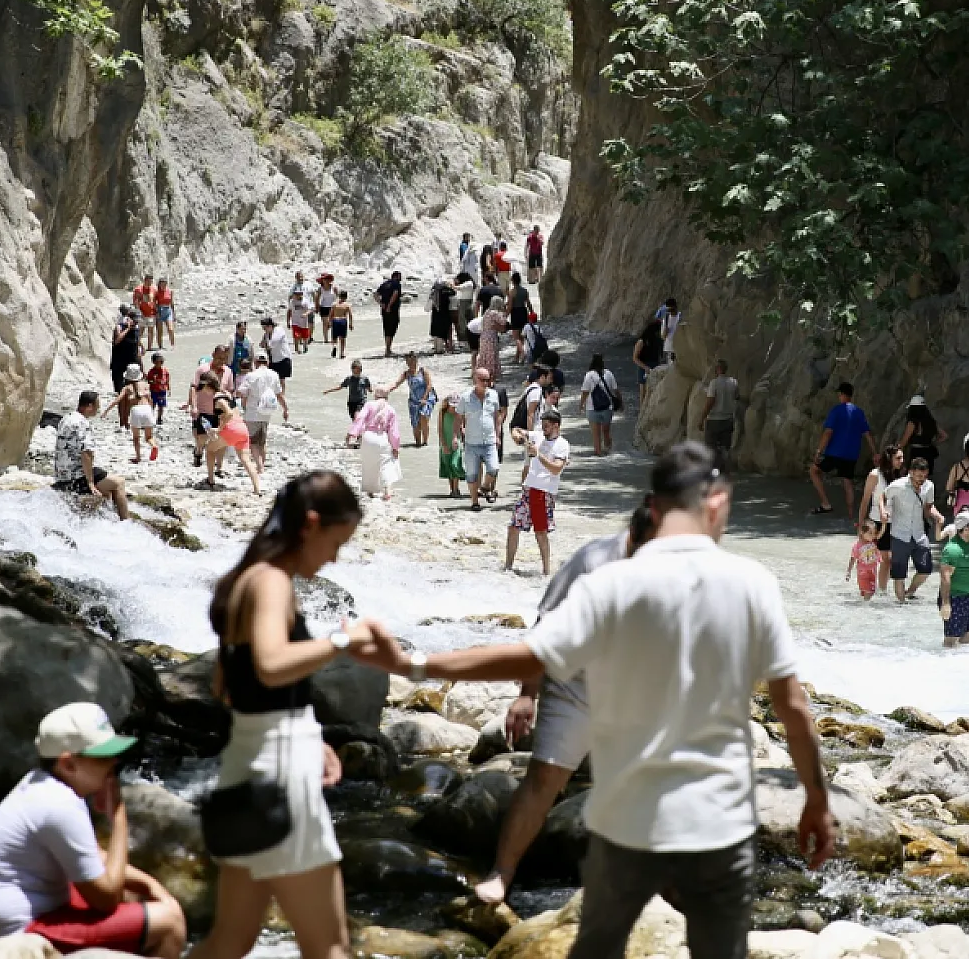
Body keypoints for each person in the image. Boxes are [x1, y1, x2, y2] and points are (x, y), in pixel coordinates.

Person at [347, 442, 836, 958]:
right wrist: (817, 802)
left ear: (654, 508)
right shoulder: (752, 583)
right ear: (715, 503)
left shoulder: (614, 586)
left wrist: (411, 665)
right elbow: (794, 708)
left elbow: (526, 655)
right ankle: (506, 871)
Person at [188, 473, 373, 959]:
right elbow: (271, 666)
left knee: (230, 941)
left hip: (247, 769)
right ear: (311, 525)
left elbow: (225, 688)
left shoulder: (244, 581)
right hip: (282, 782)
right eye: (337, 542)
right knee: (330, 947)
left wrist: (308, 734)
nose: (335, 557)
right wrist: (342, 641)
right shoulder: (271, 583)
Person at [476, 501, 659, 905]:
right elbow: (546, 631)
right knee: (544, 779)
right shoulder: (593, 560)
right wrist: (527, 696)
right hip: (574, 684)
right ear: (634, 536)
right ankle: (502, 872)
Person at [0, 703, 185, 957]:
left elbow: (96, 859)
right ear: (68, 764)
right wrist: (118, 815)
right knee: (170, 921)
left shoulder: (44, 784)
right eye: (103, 756)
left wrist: (151, 885)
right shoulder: (59, 805)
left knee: (134, 893)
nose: (114, 761)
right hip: (15, 929)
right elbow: (106, 899)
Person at [505, 410, 569, 575]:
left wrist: (538, 454)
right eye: (543, 425)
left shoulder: (562, 444)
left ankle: (546, 571)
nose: (543, 428)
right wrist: (517, 437)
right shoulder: (538, 436)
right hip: (528, 489)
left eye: (546, 426)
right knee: (513, 527)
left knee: (540, 532)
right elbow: (516, 429)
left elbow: (556, 469)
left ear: (556, 426)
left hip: (543, 492)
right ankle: (508, 567)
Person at [54, 390, 130, 520]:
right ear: (89, 406)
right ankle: (126, 522)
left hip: (62, 474)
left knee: (106, 486)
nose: (98, 409)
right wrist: (90, 483)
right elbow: (86, 453)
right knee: (118, 483)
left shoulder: (66, 418)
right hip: (76, 476)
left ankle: (105, 518)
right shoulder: (82, 423)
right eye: (97, 405)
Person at [809, 383, 875, 519]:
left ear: (842, 394)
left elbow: (828, 433)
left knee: (813, 471)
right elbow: (867, 433)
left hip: (834, 453)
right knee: (847, 481)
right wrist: (875, 452)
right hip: (851, 454)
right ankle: (851, 515)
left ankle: (825, 503)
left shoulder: (836, 410)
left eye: (839, 394)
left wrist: (818, 451)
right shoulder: (859, 412)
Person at [885, 457, 942, 602]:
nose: (921, 479)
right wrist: (884, 512)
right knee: (899, 574)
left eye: (924, 476)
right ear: (910, 472)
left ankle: (909, 592)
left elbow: (929, 507)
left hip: (919, 534)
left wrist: (938, 517)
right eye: (918, 476)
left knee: (926, 569)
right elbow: (883, 497)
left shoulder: (929, 486)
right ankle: (901, 604)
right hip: (899, 534)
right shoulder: (897, 485)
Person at [938, 510, 969, 647]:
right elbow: (945, 578)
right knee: (951, 638)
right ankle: (946, 660)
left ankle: (961, 657)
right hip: (954, 598)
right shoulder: (952, 549)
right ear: (965, 529)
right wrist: (946, 603)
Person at [455, 368, 502, 510]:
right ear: (475, 379)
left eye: (488, 379)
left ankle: (485, 487)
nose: (486, 383)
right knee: (471, 473)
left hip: (489, 441)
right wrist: (454, 437)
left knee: (493, 468)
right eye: (483, 380)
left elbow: (496, 416)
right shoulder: (465, 397)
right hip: (471, 442)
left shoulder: (493, 395)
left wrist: (498, 435)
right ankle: (474, 502)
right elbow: (458, 417)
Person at [858, 446, 905, 585]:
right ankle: (869, 586)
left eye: (902, 457)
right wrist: (860, 525)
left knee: (888, 558)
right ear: (889, 458)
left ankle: (882, 590)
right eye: (898, 458)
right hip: (876, 521)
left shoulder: (899, 475)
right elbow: (865, 500)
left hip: (894, 521)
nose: (901, 461)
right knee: (872, 557)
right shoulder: (875, 475)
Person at [237, 353, 289, 475]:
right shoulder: (274, 374)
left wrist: (242, 405)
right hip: (267, 412)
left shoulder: (251, 375)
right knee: (262, 441)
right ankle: (262, 464)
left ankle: (260, 467)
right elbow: (279, 395)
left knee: (253, 442)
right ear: (268, 362)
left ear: (255, 362)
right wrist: (286, 409)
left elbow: (241, 393)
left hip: (252, 412)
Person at [205, 390, 261, 495]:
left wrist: (218, 429)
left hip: (231, 429)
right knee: (246, 460)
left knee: (210, 450)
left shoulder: (219, 399)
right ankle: (257, 489)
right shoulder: (229, 398)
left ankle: (211, 480)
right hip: (242, 429)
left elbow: (229, 414)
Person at [349, 388, 401, 501]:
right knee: (387, 463)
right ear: (387, 397)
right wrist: (395, 447)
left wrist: (352, 433)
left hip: (368, 436)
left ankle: (371, 491)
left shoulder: (369, 405)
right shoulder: (391, 410)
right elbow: (394, 431)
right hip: (383, 437)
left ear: (375, 396)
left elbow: (360, 418)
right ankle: (387, 491)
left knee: (369, 463)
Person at [388, 352, 436, 448]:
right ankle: (418, 443)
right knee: (415, 424)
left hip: (427, 398)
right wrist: (387, 390)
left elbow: (429, 385)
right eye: (408, 362)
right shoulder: (406, 374)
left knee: (423, 416)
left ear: (416, 360)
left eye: (412, 361)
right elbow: (397, 383)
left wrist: (424, 398)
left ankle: (425, 442)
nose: (410, 363)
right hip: (413, 401)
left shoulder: (423, 371)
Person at [698, 359, 740, 469]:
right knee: (725, 448)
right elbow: (736, 397)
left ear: (718, 369)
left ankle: (712, 472)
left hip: (714, 421)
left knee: (710, 449)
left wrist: (701, 419)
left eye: (716, 368)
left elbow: (710, 402)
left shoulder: (714, 383)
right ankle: (724, 471)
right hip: (728, 420)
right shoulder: (734, 382)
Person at [579, 353, 621, 457]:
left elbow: (585, 392)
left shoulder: (589, 375)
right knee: (606, 431)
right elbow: (616, 390)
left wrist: (581, 405)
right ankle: (608, 450)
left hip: (592, 408)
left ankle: (598, 452)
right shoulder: (608, 373)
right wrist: (621, 402)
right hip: (607, 407)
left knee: (596, 433)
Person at [114, 365, 158, 463]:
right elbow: (150, 400)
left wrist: (106, 411)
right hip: (147, 409)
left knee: (136, 437)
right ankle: (154, 446)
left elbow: (118, 400)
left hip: (136, 410)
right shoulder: (146, 385)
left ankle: (138, 457)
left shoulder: (127, 388)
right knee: (149, 437)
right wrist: (152, 411)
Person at [323, 360, 373, 444]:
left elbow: (370, 389)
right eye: (355, 371)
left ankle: (350, 437)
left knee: (357, 418)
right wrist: (329, 391)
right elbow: (340, 387)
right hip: (351, 402)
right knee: (355, 420)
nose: (356, 373)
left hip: (361, 402)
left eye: (358, 371)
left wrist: (378, 393)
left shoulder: (365, 379)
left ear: (361, 370)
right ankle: (359, 437)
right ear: (352, 370)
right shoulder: (349, 379)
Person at [897, 394, 947, 478]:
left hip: (916, 454)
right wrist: (933, 443)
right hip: (928, 454)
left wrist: (898, 449)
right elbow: (944, 436)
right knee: (925, 481)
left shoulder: (913, 422)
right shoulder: (931, 421)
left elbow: (903, 442)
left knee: (914, 481)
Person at [437, 393, 466, 497]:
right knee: (448, 466)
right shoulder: (443, 413)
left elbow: (463, 426)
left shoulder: (460, 413)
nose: (454, 408)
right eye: (452, 406)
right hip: (445, 441)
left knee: (455, 464)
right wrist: (443, 444)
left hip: (456, 441)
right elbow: (440, 430)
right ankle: (453, 490)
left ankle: (456, 488)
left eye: (456, 406)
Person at [631, 318, 663, 408]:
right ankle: (642, 412)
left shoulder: (658, 341)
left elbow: (660, 355)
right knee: (644, 393)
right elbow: (635, 358)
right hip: (644, 367)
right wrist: (645, 367)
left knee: (655, 391)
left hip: (655, 366)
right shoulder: (641, 342)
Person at [109, 305, 142, 392]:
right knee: (118, 386)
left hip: (132, 360)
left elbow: (137, 346)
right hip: (119, 360)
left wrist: (141, 365)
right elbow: (117, 341)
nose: (136, 323)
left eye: (137, 321)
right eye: (134, 321)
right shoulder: (119, 327)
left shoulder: (137, 329)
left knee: (132, 386)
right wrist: (127, 329)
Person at [848, 520, 883, 601]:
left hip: (873, 571)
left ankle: (863, 605)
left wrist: (884, 524)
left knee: (869, 591)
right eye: (870, 533)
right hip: (863, 572)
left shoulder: (873, 543)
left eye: (874, 533)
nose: (873, 535)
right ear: (862, 533)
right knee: (869, 591)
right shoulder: (858, 546)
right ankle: (865, 606)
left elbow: (881, 534)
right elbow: (853, 558)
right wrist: (849, 571)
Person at [476, 299, 510, 383]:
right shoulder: (495, 313)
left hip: (484, 336)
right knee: (491, 356)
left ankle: (482, 373)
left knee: (484, 355)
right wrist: (504, 312)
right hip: (491, 337)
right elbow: (504, 322)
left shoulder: (487, 312)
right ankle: (491, 375)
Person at [260, 317, 294, 395]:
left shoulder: (279, 330)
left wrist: (265, 344)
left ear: (270, 326)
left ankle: (282, 394)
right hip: (273, 358)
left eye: (265, 328)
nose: (264, 330)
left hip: (283, 357)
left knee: (281, 379)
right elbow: (262, 344)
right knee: (272, 378)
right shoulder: (267, 333)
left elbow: (272, 344)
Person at [375, 272, 402, 357]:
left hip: (384, 310)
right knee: (393, 327)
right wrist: (389, 306)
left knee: (386, 328)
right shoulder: (396, 284)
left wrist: (381, 303)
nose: (401, 278)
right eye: (400, 277)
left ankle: (388, 349)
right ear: (396, 277)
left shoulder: (384, 284)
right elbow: (395, 294)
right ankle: (388, 350)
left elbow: (375, 294)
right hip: (392, 310)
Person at [507, 273, 532, 361]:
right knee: (521, 336)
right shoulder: (525, 291)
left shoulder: (512, 292)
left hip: (515, 312)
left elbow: (510, 306)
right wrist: (532, 312)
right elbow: (528, 303)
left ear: (513, 280)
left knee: (516, 337)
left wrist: (506, 315)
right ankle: (517, 357)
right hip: (523, 312)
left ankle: (522, 353)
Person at [427, 279, 456, 354]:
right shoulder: (445, 291)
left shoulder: (433, 292)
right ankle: (445, 347)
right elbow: (453, 292)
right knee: (445, 330)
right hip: (444, 313)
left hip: (435, 314)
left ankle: (438, 348)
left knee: (436, 331)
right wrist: (450, 286)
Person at [454, 274, 477, 353]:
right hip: (464, 303)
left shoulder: (468, 283)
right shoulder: (469, 284)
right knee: (465, 322)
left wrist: (451, 285)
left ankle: (467, 342)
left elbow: (459, 288)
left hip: (465, 303)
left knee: (464, 322)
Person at [133, 274, 158, 351]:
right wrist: (139, 312)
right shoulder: (138, 289)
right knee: (140, 331)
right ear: (145, 280)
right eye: (149, 281)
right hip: (142, 313)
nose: (150, 282)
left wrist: (156, 311)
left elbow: (155, 301)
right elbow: (136, 302)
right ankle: (138, 346)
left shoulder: (154, 289)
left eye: (151, 281)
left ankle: (149, 347)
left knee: (151, 330)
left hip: (151, 313)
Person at [146, 354, 170, 427]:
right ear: (154, 362)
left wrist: (169, 389)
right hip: (153, 391)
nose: (159, 364)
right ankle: (151, 417)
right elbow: (148, 381)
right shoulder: (151, 371)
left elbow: (167, 381)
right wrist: (153, 381)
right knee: (152, 405)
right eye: (158, 362)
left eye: (161, 362)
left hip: (162, 391)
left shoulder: (165, 371)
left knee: (161, 405)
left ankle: (159, 418)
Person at [315, 275, 338, 351]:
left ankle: (333, 338)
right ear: (322, 281)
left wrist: (339, 305)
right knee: (325, 323)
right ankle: (326, 339)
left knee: (332, 323)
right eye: (324, 279)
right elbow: (317, 298)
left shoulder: (334, 288)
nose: (326, 281)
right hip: (324, 307)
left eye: (327, 279)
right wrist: (317, 307)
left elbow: (338, 297)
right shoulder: (320, 289)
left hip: (332, 307)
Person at [286, 291, 313, 356]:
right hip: (295, 322)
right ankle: (297, 349)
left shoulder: (306, 301)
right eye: (296, 294)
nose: (297, 296)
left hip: (304, 322)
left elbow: (310, 309)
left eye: (299, 294)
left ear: (302, 294)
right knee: (296, 336)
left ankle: (305, 347)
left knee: (305, 337)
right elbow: (289, 311)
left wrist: (306, 314)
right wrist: (288, 322)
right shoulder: (292, 302)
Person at [330, 289, 353, 359]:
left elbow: (331, 314)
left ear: (339, 296)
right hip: (343, 320)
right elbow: (350, 315)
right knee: (342, 338)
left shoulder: (334, 304)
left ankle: (334, 347)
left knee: (334, 337)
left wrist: (329, 323)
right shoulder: (347, 305)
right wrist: (351, 324)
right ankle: (342, 353)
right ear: (346, 297)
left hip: (335, 320)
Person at [154, 278, 176, 349]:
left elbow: (172, 303)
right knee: (160, 331)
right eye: (162, 283)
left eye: (165, 283)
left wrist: (174, 313)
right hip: (160, 311)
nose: (163, 285)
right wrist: (156, 312)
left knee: (170, 329)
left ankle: (172, 345)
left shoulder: (170, 291)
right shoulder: (157, 292)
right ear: (159, 284)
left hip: (168, 310)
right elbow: (155, 303)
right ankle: (160, 346)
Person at [658, 297, 682, 361]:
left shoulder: (681, 316)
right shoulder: (666, 318)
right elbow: (663, 337)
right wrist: (666, 331)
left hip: (680, 348)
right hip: (669, 349)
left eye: (670, 308)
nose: (669, 310)